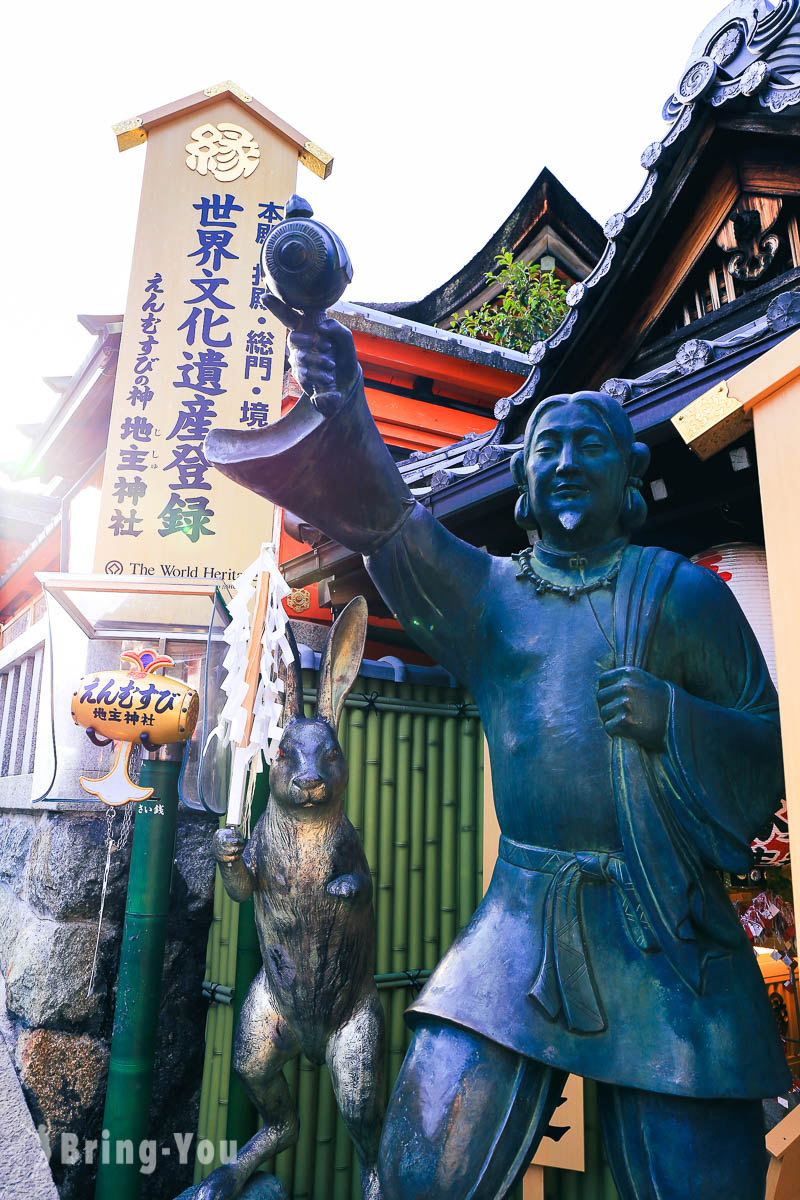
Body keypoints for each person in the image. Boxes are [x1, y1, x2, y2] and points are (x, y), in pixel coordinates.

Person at [205, 310, 788, 1200]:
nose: (563, 463)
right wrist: (341, 394)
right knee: (420, 1168)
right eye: (545, 448)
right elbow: (391, 525)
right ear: (521, 477)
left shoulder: (680, 597)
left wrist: (673, 714)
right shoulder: (493, 597)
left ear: (629, 474)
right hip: (520, 926)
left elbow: (764, 746)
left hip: (666, 932)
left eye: (587, 446)